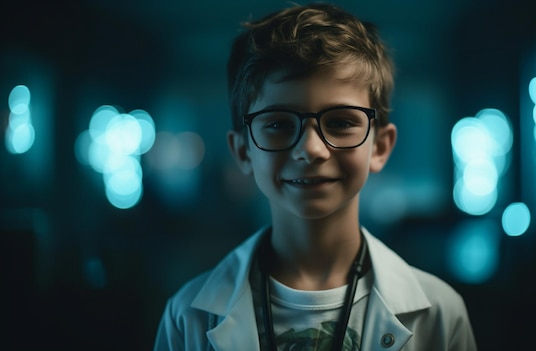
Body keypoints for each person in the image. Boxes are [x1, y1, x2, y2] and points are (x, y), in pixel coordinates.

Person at [154, 3, 477, 350]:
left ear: (380, 147)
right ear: (243, 151)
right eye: (278, 124)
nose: (311, 149)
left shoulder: (441, 314)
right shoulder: (186, 317)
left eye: (340, 122)